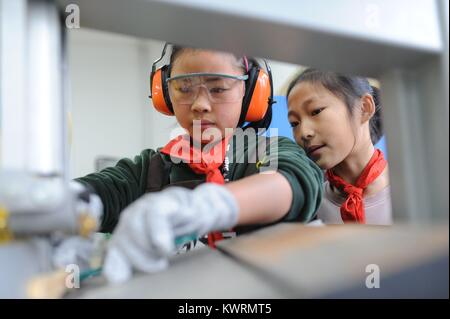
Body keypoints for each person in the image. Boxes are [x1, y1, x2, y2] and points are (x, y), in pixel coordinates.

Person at [75, 44, 323, 283]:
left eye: (218, 89)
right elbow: (101, 191)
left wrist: (206, 206)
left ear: (249, 94)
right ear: (165, 92)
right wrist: (64, 204)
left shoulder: (267, 151)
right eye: (184, 88)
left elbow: (294, 182)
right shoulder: (149, 170)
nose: (199, 105)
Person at [287, 68, 392, 226]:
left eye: (316, 111)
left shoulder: (416, 193)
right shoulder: (308, 207)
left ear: (364, 107)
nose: (303, 133)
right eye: (294, 123)